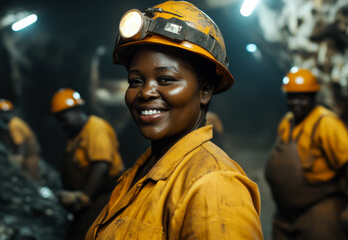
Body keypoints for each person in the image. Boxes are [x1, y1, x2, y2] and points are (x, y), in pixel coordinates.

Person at [85, 1, 263, 239]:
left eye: (166, 79)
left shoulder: (213, 185)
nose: (145, 92)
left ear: (205, 91)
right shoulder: (142, 172)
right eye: (135, 81)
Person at [265, 67, 348, 239]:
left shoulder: (326, 123)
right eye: (292, 97)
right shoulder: (287, 122)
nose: (296, 103)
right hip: (285, 213)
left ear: (313, 97)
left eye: (302, 98)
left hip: (319, 208)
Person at [50, 88, 124, 240]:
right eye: (59, 121)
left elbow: (101, 165)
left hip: (105, 196)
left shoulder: (96, 127)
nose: (62, 125)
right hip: (90, 200)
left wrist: (83, 196)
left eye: (64, 119)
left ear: (76, 110)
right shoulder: (75, 136)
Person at [0, 98, 40, 179]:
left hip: (29, 157)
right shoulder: (16, 121)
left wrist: (19, 156)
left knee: (32, 178)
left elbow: (21, 143)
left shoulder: (13, 125)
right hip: (30, 155)